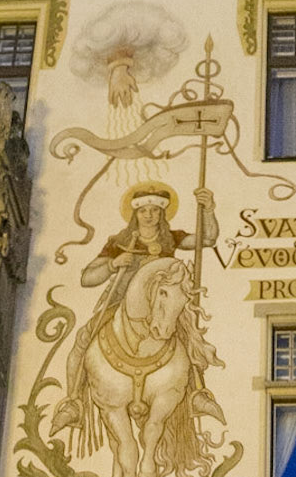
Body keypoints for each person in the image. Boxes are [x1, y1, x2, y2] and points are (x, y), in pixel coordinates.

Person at [51, 182, 217, 442]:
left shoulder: (171, 239)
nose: (149, 215)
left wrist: (208, 210)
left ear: (163, 213)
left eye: (155, 209)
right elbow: (87, 278)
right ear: (135, 214)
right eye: (143, 210)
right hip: (119, 304)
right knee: (83, 340)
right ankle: (73, 402)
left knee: (190, 339)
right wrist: (113, 264)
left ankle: (198, 393)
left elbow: (207, 239)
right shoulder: (119, 242)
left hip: (162, 305)